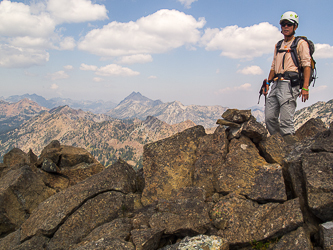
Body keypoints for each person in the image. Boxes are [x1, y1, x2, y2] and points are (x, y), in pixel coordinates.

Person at [263, 11, 311, 139]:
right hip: (276, 84)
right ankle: (279, 145)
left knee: (286, 122)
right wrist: (267, 83)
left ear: (295, 27)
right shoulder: (278, 45)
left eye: (289, 24)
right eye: (283, 24)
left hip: (289, 85)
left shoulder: (300, 44)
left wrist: (305, 87)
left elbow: (307, 66)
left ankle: (290, 151)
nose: (285, 27)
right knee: (269, 118)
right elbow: (273, 66)